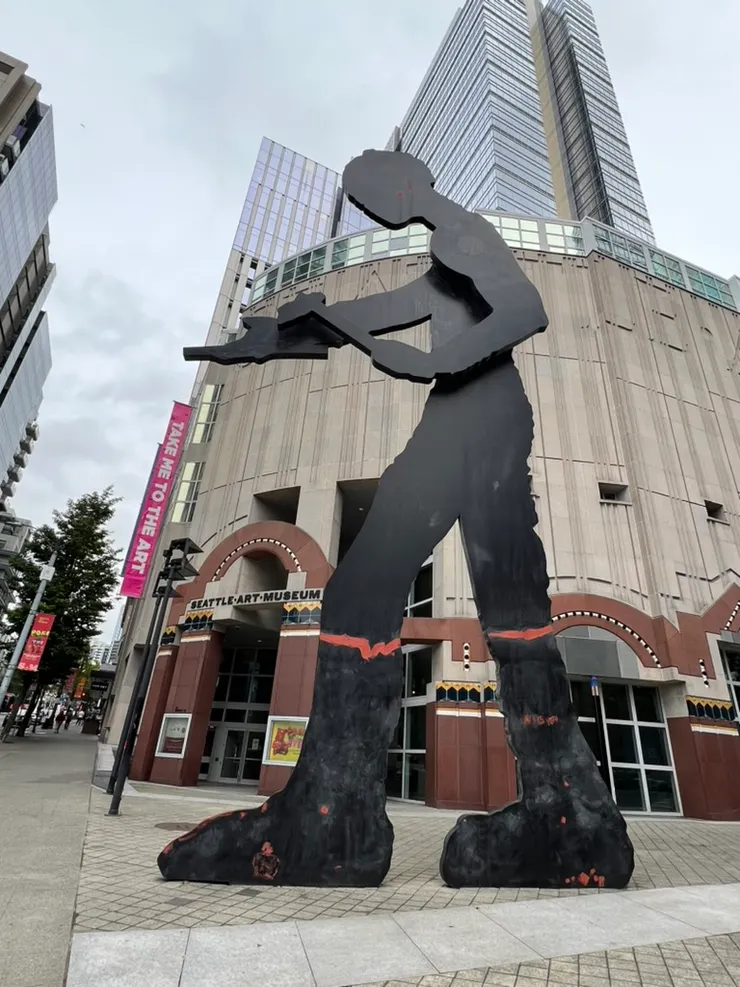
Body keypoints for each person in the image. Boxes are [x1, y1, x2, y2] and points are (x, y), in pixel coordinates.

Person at [163, 149, 633, 890]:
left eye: (373, 195)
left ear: (408, 184)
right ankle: (566, 816)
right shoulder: (447, 244)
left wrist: (432, 367)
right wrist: (283, 333)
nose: (374, 210)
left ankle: (340, 818)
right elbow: (384, 311)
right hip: (475, 417)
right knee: (502, 604)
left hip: (473, 416)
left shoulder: (460, 232)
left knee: (374, 593)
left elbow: (524, 309)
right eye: (364, 201)